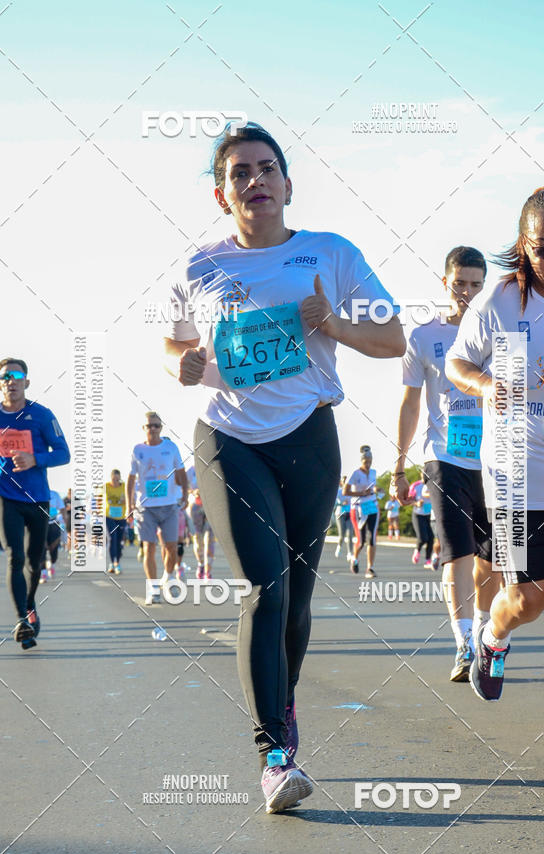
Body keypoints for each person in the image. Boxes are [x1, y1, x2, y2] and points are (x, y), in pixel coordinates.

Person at [163, 122, 405, 812]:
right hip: (229, 437)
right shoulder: (199, 267)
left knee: (297, 597)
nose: (256, 180)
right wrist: (179, 366)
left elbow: (392, 339)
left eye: (267, 169)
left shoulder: (330, 254)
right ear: (222, 194)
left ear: (288, 185)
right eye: (240, 173)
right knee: (265, 587)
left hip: (308, 436)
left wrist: (331, 324)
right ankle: (275, 754)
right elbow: (175, 344)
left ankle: (283, 706)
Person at [446, 187, 544, 727]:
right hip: (516, 474)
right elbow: (457, 363)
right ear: (524, 246)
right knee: (530, 599)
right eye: (543, 248)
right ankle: (493, 636)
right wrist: (486, 384)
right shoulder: (502, 302)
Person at [391, 247, 501, 681]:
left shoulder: (501, 337)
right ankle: (462, 644)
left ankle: (483, 637)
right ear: (445, 283)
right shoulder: (422, 337)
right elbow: (410, 404)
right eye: (460, 283)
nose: (468, 293)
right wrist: (398, 467)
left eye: (476, 284)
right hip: (443, 458)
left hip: (494, 461)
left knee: (490, 559)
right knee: (456, 552)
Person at [0, 358, 70, 647]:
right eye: (5, 377)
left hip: (37, 497)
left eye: (16, 376)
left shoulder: (41, 415)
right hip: (6, 498)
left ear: (26, 382)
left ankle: (30, 607)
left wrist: (35, 459)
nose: (10, 381)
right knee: (15, 557)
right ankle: (21, 621)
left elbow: (63, 453)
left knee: (34, 562)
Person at [126, 413, 188, 604]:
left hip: (169, 505)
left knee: (171, 547)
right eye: (149, 426)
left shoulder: (170, 447)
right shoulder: (138, 450)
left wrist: (185, 495)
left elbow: (181, 472)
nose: (153, 429)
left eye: (156, 426)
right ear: (143, 428)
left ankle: (168, 576)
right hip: (146, 507)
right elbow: (131, 478)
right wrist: (129, 504)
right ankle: (153, 589)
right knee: (149, 548)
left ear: (161, 428)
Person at [345, 446, 380, 579]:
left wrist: (376, 489)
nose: (368, 464)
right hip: (358, 508)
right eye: (366, 461)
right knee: (361, 540)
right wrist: (361, 493)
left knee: (372, 539)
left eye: (370, 461)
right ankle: (354, 558)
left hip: (372, 506)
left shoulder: (373, 472)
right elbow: (345, 492)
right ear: (362, 461)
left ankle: (369, 568)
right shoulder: (354, 473)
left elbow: (373, 486)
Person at [407, 473, 434, 568]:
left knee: (431, 538)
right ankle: (417, 551)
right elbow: (408, 500)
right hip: (418, 515)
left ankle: (428, 560)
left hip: (428, 515)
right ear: (421, 474)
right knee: (423, 538)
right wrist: (416, 503)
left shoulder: (433, 485)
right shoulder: (415, 486)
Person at [39, 488, 66, 582]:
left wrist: (66, 521)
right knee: (42, 547)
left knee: (53, 548)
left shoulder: (55, 494)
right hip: (41, 523)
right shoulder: (37, 492)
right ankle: (43, 573)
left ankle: (52, 563)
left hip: (54, 523)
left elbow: (62, 508)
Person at [106, 469, 127, 575]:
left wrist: (126, 501)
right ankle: (114, 563)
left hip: (121, 517)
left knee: (119, 541)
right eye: (114, 479)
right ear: (111, 478)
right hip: (109, 517)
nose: (115, 482)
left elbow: (131, 498)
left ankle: (116, 562)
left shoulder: (124, 487)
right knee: (112, 538)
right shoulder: (105, 487)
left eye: (117, 480)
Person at [334, 476, 353, 561]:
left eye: (347, 481)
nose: (345, 482)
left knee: (350, 534)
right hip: (340, 514)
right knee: (342, 534)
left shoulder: (351, 491)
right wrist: (341, 503)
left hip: (349, 514)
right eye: (344, 481)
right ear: (341, 482)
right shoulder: (338, 491)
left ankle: (350, 553)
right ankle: (339, 546)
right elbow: (334, 503)